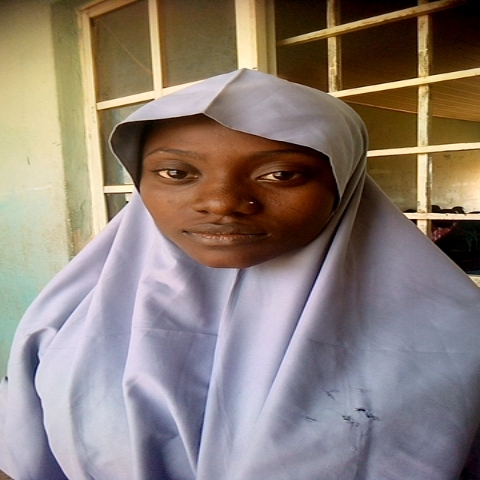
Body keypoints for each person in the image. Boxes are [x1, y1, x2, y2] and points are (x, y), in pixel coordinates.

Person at [1, 69, 480, 480]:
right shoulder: (64, 320)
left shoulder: (457, 340)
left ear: (343, 182)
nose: (222, 203)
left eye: (280, 174)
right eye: (176, 173)